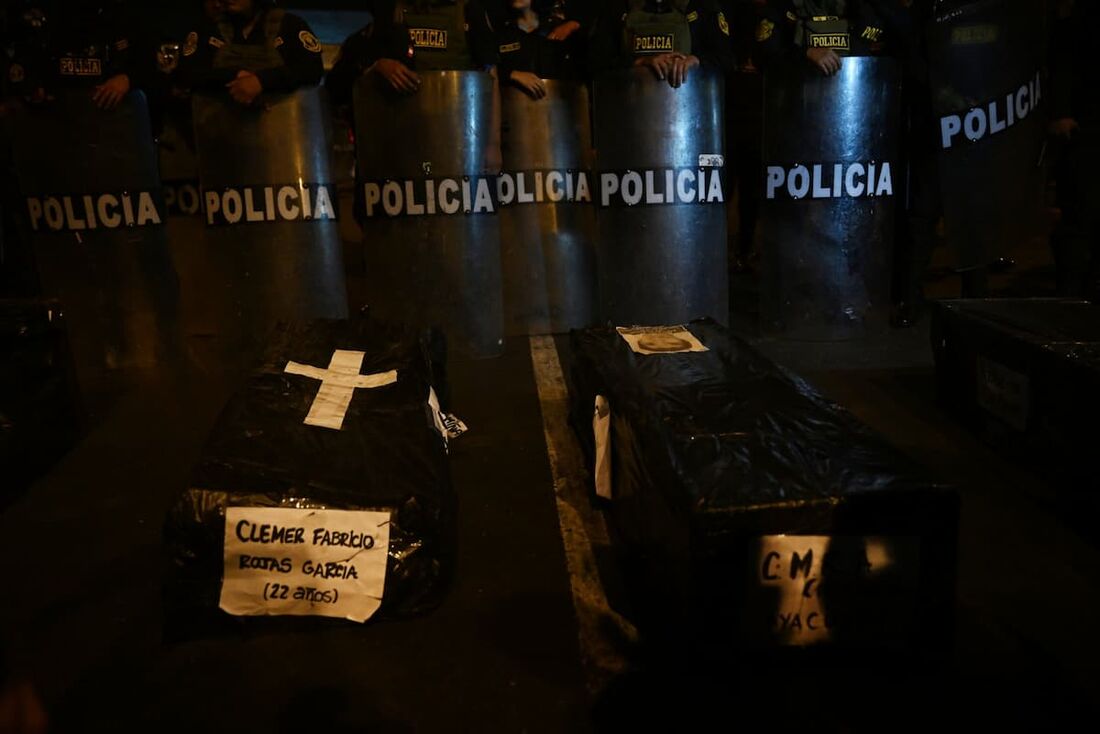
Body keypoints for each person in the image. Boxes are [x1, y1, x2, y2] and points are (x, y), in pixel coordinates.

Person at [325, 0, 499, 106]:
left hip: (457, 132)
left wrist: (492, 145)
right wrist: (376, 66)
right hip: (401, 136)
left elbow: (490, 75)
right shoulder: (390, 12)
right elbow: (338, 83)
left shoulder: (468, 11)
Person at [1, 0, 153, 110]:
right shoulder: (42, 19)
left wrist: (127, 78)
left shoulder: (121, 17)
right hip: (53, 126)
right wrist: (31, 87)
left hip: (108, 129)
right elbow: (22, 67)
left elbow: (147, 63)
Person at [175, 0, 324, 106]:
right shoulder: (208, 28)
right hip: (219, 133)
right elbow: (187, 71)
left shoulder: (289, 26)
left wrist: (262, 81)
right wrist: (233, 76)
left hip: (281, 133)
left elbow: (312, 70)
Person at [1049, 0, 1100, 298]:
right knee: (1081, 213)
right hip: (1084, 128)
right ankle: (1071, 290)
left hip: (1085, 124)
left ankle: (1088, 281)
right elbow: (1064, 64)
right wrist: (1061, 112)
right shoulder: (1079, 21)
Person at [591, 0, 736, 88]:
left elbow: (726, 59)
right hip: (628, 117)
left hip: (689, 115)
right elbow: (594, 61)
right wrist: (639, 62)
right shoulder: (618, 7)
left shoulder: (702, 6)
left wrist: (696, 61)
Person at [755, 0, 888, 74]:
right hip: (798, 104)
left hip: (851, 101)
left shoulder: (859, 8)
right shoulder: (783, 6)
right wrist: (806, 53)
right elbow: (764, 58)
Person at [495, 0, 592, 98]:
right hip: (514, 105)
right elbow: (487, 68)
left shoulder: (558, 28)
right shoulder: (501, 34)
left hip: (558, 105)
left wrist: (574, 24)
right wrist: (512, 74)